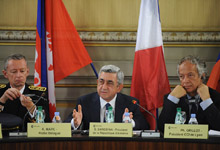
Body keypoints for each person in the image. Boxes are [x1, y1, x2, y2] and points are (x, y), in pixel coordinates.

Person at [65, 65, 149, 130]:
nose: (104, 87)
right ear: (97, 82)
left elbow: (144, 125)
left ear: (119, 87)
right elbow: (67, 123)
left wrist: (131, 123)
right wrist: (75, 123)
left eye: (109, 83)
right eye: (101, 82)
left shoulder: (130, 103)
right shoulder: (84, 101)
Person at [159, 55, 220, 132]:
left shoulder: (215, 97)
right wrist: (172, 99)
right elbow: (162, 129)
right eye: (181, 76)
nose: (185, 81)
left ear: (202, 76)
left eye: (190, 75)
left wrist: (207, 101)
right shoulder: (172, 98)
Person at [0, 54, 51, 131]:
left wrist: (31, 108)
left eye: (22, 71)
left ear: (27, 72)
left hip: (29, 140)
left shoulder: (39, 94)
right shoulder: (1, 92)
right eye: (14, 72)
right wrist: (2, 100)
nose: (18, 75)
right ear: (5, 74)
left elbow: (47, 124)